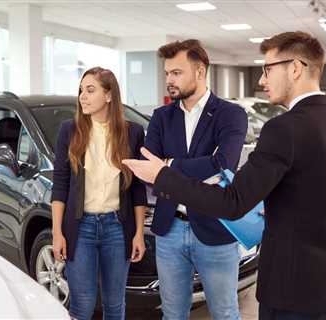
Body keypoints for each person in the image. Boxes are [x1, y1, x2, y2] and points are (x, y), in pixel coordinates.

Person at [123, 31, 326, 320]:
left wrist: (163, 173)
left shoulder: (283, 128)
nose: (262, 80)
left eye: (268, 69)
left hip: (289, 289)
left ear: (295, 68)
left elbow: (232, 201)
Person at [144, 39, 248, 320]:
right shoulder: (161, 117)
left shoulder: (230, 114)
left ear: (200, 72)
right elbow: (148, 169)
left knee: (225, 313)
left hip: (215, 229)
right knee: (172, 314)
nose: (169, 80)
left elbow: (223, 164)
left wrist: (168, 165)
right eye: (167, 73)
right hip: (169, 230)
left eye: (176, 73)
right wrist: (198, 167)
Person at [51, 67, 147, 320]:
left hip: (117, 227)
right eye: (81, 90)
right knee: (82, 305)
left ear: (108, 95)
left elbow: (137, 188)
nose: (82, 96)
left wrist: (138, 233)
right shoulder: (69, 130)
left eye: (90, 90)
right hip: (80, 228)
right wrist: (57, 232)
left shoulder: (132, 133)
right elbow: (60, 184)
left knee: (115, 305)